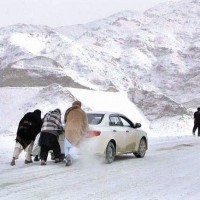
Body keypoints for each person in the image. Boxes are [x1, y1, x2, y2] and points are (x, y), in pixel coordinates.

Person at [64, 101, 88, 166]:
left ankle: (67, 158)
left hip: (68, 129)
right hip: (77, 129)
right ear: (80, 105)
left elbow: (65, 120)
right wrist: (85, 132)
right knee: (76, 145)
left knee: (67, 145)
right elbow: (85, 124)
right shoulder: (82, 113)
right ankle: (70, 156)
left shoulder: (68, 111)